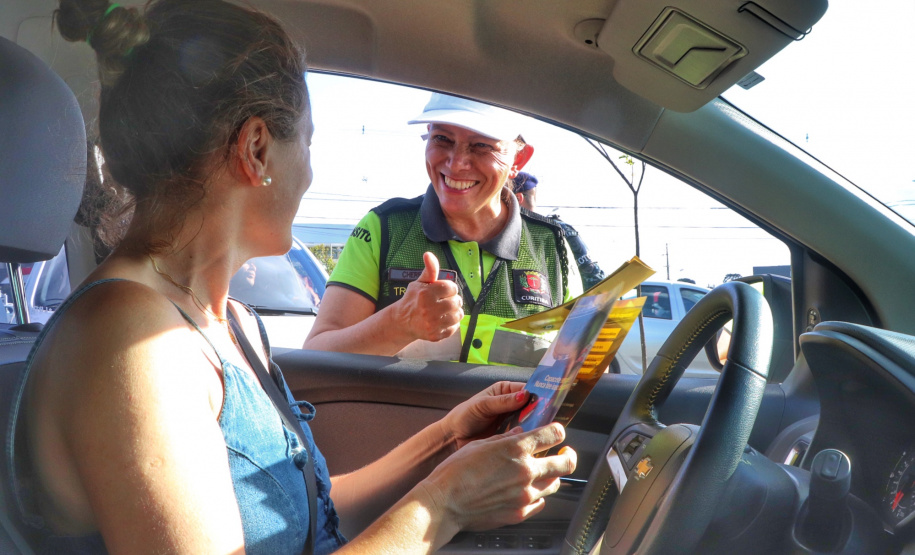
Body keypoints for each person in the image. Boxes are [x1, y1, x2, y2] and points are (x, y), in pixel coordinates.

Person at [9, 1, 577, 553]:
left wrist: (450, 437)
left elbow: (309, 517)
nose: (310, 170)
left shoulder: (229, 322)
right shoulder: (132, 342)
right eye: (306, 141)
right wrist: (445, 504)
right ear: (257, 149)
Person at [305, 94, 582, 366]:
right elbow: (316, 355)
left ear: (518, 161)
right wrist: (397, 324)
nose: (456, 162)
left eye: (482, 145)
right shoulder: (383, 228)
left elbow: (581, 371)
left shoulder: (553, 247)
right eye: (443, 139)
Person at [512, 172, 607, 290]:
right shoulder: (558, 230)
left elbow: (594, 278)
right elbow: (597, 281)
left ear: (518, 198)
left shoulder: (558, 231)